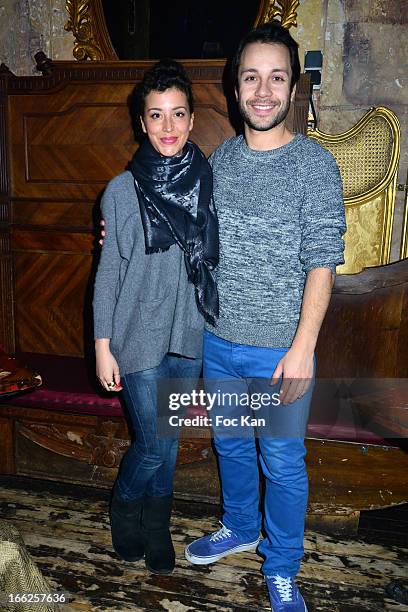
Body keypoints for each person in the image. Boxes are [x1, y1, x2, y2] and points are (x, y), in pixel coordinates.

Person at [184, 22, 346, 612]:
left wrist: (302, 348)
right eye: (250, 76)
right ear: (235, 87)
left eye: (276, 77)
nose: (262, 90)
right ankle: (241, 526)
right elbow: (191, 237)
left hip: (281, 351)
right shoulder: (220, 160)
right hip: (219, 342)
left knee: (281, 461)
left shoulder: (315, 167)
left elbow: (323, 261)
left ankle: (281, 566)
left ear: (293, 87)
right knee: (230, 445)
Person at [93, 59, 218, 575]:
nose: (168, 127)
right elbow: (106, 274)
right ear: (141, 123)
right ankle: (125, 505)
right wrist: (102, 345)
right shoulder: (121, 191)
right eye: (156, 115)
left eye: (178, 114)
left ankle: (158, 525)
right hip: (135, 339)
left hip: (187, 336)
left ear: (191, 120)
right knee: (154, 441)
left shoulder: (210, 182)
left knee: (168, 443)